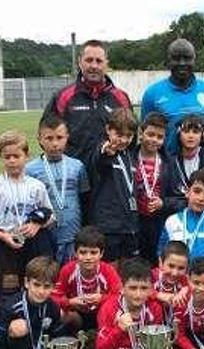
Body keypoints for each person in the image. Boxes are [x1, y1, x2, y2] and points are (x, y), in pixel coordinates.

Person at [0, 130, 56, 296]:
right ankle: (10, 318)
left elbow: (51, 216)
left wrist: (37, 224)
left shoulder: (36, 186)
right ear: (1, 157)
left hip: (33, 242)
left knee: (36, 283)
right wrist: (4, 236)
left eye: (17, 156)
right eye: (7, 157)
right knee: (8, 289)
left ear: (27, 156)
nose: (12, 161)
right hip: (6, 244)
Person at [43, 39, 131, 179]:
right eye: (89, 60)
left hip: (110, 178)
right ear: (80, 62)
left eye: (99, 61)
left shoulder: (121, 98)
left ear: (107, 63)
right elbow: (46, 133)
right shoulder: (63, 97)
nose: (94, 66)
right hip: (73, 177)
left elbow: (131, 138)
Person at [140, 38, 204, 157]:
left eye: (187, 58)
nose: (182, 63)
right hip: (165, 166)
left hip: (199, 168)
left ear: (194, 60)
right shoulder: (152, 93)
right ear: (168, 61)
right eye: (176, 58)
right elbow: (145, 133)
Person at [26, 114, 91, 264]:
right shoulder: (31, 170)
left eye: (59, 137)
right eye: (49, 138)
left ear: (67, 137)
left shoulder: (78, 166)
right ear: (40, 139)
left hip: (73, 234)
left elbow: (85, 199)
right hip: (45, 235)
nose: (55, 143)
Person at [90, 108, 141, 262]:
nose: (124, 140)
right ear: (108, 130)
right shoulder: (106, 151)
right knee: (110, 269)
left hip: (129, 224)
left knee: (128, 269)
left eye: (129, 136)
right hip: (109, 226)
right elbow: (100, 160)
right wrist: (106, 151)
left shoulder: (129, 156)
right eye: (119, 135)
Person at [51, 226, 122, 332]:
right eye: (83, 252)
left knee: (117, 310)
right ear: (76, 253)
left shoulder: (108, 270)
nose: (88, 257)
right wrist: (70, 302)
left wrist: (102, 298)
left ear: (101, 253)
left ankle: (103, 335)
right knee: (61, 313)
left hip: (102, 313)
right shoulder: (68, 270)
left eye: (93, 253)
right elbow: (53, 297)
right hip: (77, 314)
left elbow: (120, 295)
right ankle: (70, 339)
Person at [161, 114, 204, 214]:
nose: (190, 136)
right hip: (177, 218)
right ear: (179, 134)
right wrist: (186, 203)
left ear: (202, 135)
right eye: (186, 131)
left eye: (195, 132)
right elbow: (165, 199)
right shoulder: (169, 163)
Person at [132, 112, 175, 264]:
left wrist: (163, 203)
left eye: (159, 137)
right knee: (135, 265)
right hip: (133, 222)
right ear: (141, 133)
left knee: (156, 264)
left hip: (158, 222)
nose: (154, 140)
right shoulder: (128, 157)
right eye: (150, 134)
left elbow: (179, 199)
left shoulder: (169, 163)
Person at [151, 240, 190, 326]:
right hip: (151, 327)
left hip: (179, 327)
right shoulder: (151, 276)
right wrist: (158, 295)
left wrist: (187, 289)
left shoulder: (186, 281)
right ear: (160, 262)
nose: (175, 273)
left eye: (181, 268)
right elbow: (133, 289)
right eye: (171, 266)